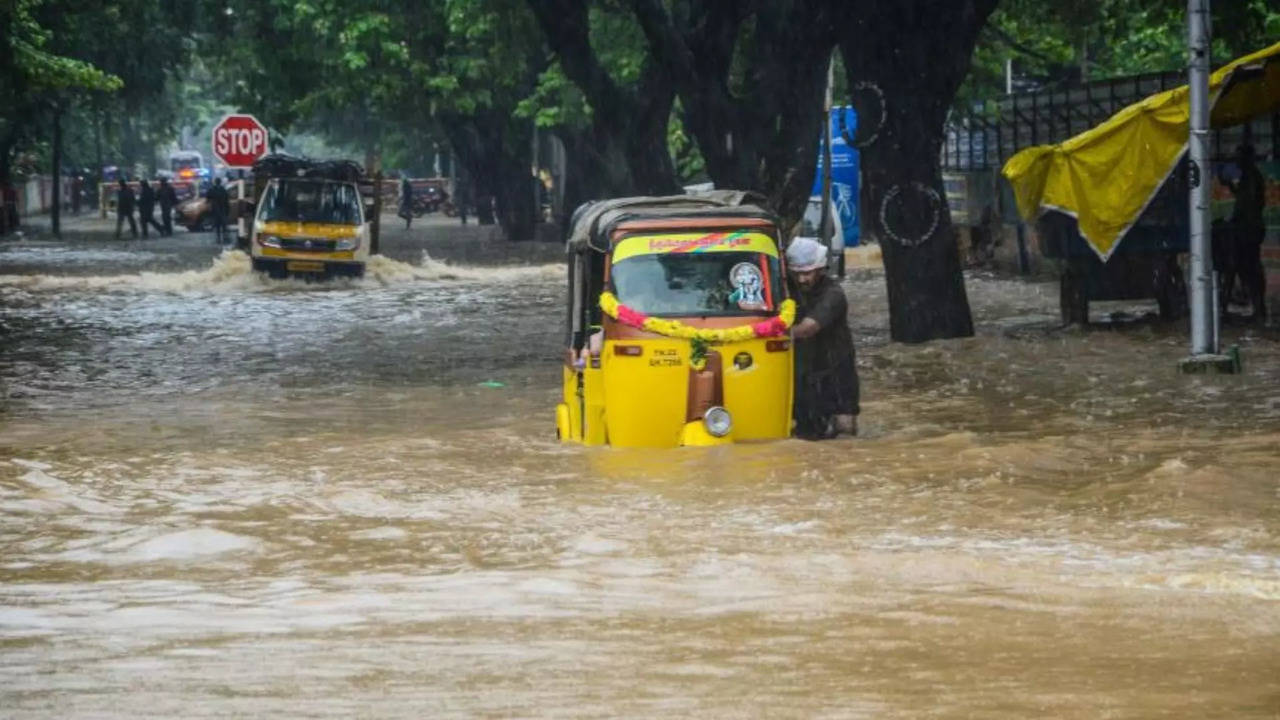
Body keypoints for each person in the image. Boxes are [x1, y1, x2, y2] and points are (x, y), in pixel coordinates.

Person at [786, 236, 860, 439]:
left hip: (836, 375)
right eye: (797, 274)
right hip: (806, 378)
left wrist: (769, 335)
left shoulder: (833, 295)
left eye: (807, 273)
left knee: (844, 434)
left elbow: (808, 329)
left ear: (820, 269)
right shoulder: (790, 291)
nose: (802, 280)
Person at [1224, 142, 1267, 322]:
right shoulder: (1249, 177)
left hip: (1248, 231)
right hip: (1248, 229)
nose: (1237, 161)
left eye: (1239, 157)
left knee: (1247, 268)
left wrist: (1235, 222)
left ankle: (1258, 309)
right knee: (1245, 268)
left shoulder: (1252, 177)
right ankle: (1257, 308)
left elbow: (1248, 204)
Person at [205, 178, 230, 245]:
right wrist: (227, 210)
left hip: (216, 210)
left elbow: (207, 199)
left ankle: (219, 238)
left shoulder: (212, 190)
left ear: (215, 182)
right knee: (223, 225)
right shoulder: (223, 190)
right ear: (220, 182)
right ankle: (225, 238)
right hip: (222, 210)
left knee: (218, 225)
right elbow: (226, 201)